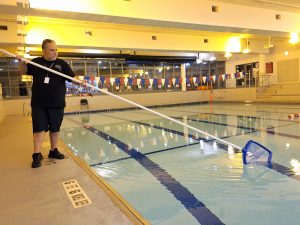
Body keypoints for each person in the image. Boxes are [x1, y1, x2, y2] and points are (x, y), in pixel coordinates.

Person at [18, 39, 75, 168]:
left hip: (57, 103)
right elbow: (22, 72)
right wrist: (21, 62)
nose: (55, 52)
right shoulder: (36, 62)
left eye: (56, 50)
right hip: (39, 103)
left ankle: (53, 151)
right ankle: (37, 155)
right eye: (52, 50)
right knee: (39, 129)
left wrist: (80, 81)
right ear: (44, 50)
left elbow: (73, 78)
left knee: (55, 129)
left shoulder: (62, 64)